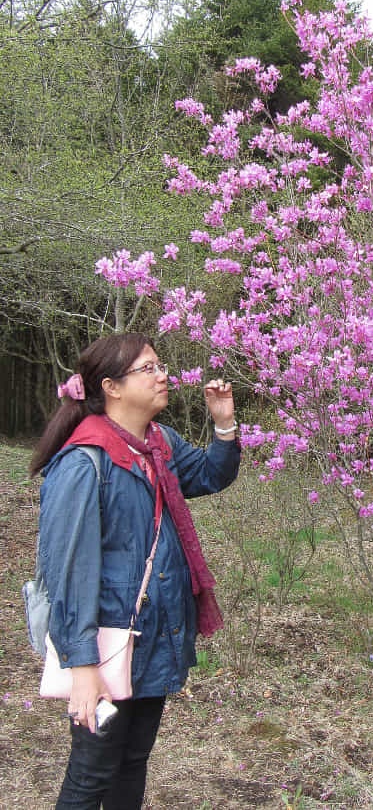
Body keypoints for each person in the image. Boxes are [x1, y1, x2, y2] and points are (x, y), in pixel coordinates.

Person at [30, 333, 241, 810]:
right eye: (149, 368)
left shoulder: (158, 444)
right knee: (91, 775)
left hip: (152, 637)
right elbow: (68, 575)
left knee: (133, 762)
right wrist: (81, 665)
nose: (163, 375)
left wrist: (224, 425)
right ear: (112, 387)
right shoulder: (86, 462)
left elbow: (209, 475)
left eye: (160, 365)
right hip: (105, 646)